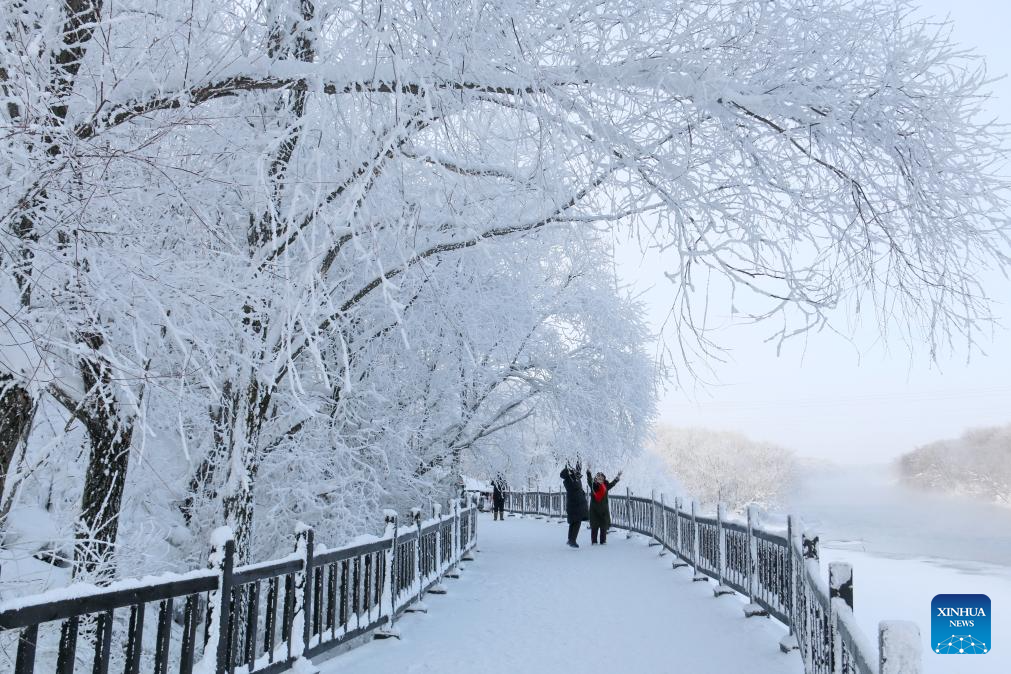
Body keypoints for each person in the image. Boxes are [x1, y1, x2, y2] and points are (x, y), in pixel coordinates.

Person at [586, 469, 622, 544]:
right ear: (596, 479)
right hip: (594, 510)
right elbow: (589, 480)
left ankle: (603, 541)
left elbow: (612, 484)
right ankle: (594, 542)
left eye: (601, 478)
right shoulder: (593, 486)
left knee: (603, 526)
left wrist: (617, 477)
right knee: (594, 527)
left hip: (604, 511)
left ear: (603, 479)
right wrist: (589, 472)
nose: (600, 479)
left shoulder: (606, 486)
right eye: (598, 477)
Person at [560, 462, 588, 547]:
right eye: (571, 471)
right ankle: (572, 540)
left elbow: (578, 474)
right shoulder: (569, 480)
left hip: (576, 504)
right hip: (575, 504)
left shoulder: (572, 479)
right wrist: (569, 472)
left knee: (573, 522)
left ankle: (570, 539)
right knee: (576, 522)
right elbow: (576, 487)